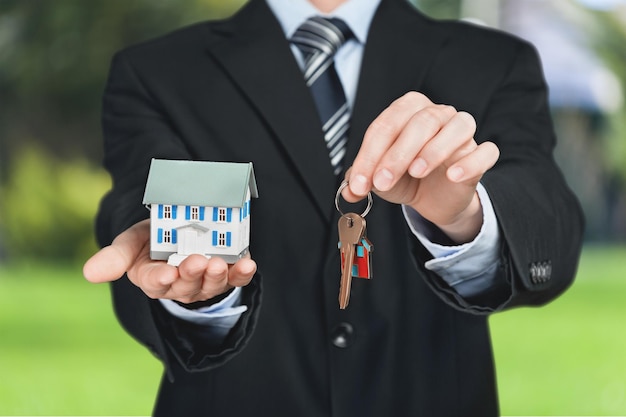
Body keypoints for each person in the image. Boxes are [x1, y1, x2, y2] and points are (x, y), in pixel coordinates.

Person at [83, 0, 584, 415]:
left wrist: (464, 215)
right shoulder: (157, 71)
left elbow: (547, 226)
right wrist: (190, 291)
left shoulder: (493, 60)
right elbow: (137, 200)